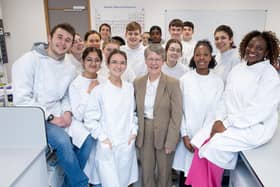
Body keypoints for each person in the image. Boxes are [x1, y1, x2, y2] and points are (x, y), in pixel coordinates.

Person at [185, 31, 280, 187]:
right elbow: (225, 99)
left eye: (259, 48)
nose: (252, 50)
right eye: (250, 46)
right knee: (200, 141)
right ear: (244, 46)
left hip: (255, 126)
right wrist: (218, 120)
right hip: (229, 121)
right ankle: (199, 184)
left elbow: (258, 111)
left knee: (214, 148)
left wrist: (227, 124)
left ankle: (210, 184)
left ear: (267, 52)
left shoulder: (269, 75)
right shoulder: (238, 69)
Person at [12, 23, 90, 187]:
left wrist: (68, 112)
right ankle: (81, 183)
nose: (63, 43)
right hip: (37, 117)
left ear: (71, 45)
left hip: (61, 114)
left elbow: (67, 94)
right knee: (63, 142)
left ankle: (69, 184)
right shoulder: (29, 60)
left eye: (68, 40)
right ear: (49, 38)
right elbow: (22, 100)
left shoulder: (69, 66)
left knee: (88, 139)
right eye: (59, 37)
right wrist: (51, 117)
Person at [172, 40, 224, 187]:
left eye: (205, 55)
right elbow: (179, 110)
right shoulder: (185, 80)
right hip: (187, 139)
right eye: (198, 55)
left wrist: (204, 138)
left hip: (208, 139)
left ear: (211, 57)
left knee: (203, 179)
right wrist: (185, 135)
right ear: (193, 57)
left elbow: (218, 111)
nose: (201, 58)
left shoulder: (218, 81)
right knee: (186, 178)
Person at [84, 49, 138, 187]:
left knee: (124, 181)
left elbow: (132, 114)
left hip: (126, 143)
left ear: (126, 66)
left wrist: (133, 131)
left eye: (122, 63)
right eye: (114, 62)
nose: (118, 66)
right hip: (108, 144)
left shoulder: (129, 88)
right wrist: (103, 138)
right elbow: (90, 119)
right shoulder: (99, 90)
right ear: (107, 65)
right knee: (109, 182)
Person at [134, 44, 183, 187]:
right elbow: (134, 111)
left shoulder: (173, 83)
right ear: (145, 60)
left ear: (163, 61)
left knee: (164, 173)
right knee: (147, 173)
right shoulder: (138, 83)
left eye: (157, 59)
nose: (154, 63)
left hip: (166, 132)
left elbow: (177, 114)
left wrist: (172, 140)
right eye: (150, 59)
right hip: (144, 133)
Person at [68, 47, 105, 187]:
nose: (93, 63)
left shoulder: (104, 80)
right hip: (83, 129)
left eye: (97, 60)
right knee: (90, 169)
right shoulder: (76, 84)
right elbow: (79, 114)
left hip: (101, 127)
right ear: (83, 62)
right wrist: (90, 92)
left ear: (101, 63)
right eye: (89, 59)